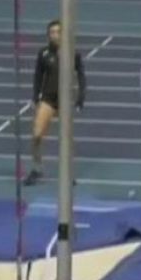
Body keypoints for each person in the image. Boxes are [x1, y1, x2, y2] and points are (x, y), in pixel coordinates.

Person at [26, 20, 86, 186]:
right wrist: (34, 97)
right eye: (52, 32)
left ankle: (68, 173)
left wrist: (81, 97)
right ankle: (36, 168)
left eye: (58, 31)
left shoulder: (73, 53)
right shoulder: (43, 53)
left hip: (65, 102)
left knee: (66, 139)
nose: (55, 35)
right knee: (37, 135)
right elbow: (38, 76)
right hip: (47, 100)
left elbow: (81, 76)